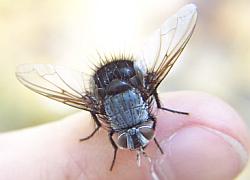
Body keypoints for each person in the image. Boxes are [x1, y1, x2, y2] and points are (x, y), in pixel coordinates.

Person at [0, 91, 249, 180]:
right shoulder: (104, 110)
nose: (136, 144)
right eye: (123, 141)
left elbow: (150, 107)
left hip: (125, 84)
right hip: (111, 88)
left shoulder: (123, 117)